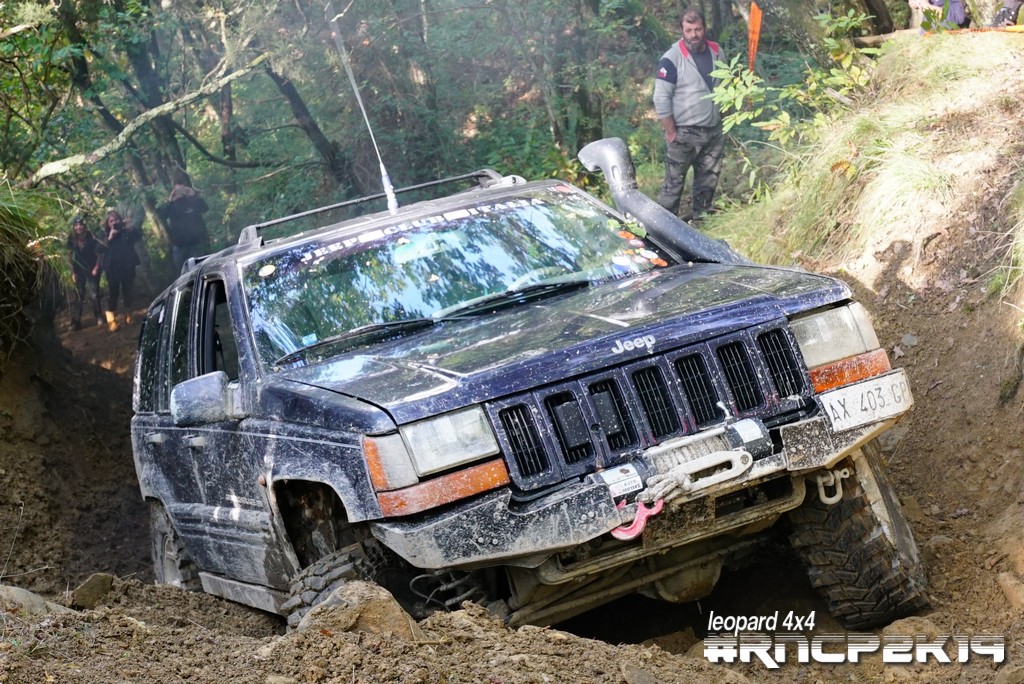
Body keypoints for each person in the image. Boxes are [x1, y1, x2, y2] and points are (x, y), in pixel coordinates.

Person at [653, 7, 727, 223]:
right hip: (684, 133)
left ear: (704, 28)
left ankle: (703, 225)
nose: (694, 35)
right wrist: (670, 132)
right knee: (673, 184)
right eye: (689, 30)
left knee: (708, 182)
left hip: (714, 130)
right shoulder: (671, 59)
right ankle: (663, 228)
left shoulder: (716, 51)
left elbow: (726, 83)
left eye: (698, 29)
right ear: (681, 30)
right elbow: (661, 98)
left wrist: (726, 118)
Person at [158, 168, 209, 274]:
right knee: (182, 273)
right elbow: (162, 216)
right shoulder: (172, 205)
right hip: (179, 245)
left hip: (194, 243)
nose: (180, 192)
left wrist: (194, 196)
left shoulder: (192, 201)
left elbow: (204, 208)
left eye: (182, 189)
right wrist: (170, 201)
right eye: (177, 190)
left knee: (198, 272)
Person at [97, 209, 141, 332]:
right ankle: (111, 321)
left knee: (128, 291)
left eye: (116, 220)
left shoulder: (126, 231)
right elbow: (98, 249)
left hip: (127, 266)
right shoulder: (104, 234)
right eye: (111, 221)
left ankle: (129, 315)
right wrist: (110, 237)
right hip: (112, 269)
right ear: (107, 223)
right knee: (113, 293)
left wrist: (130, 227)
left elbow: (138, 237)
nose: (114, 223)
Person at [66, 215, 103, 330]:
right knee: (79, 295)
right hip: (78, 270)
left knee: (94, 294)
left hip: (92, 269)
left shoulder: (91, 236)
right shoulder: (71, 239)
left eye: (81, 225)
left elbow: (99, 253)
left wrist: (97, 267)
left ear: (84, 226)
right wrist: (73, 272)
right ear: (74, 227)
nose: (79, 227)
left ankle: (99, 315)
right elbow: (69, 256)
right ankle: (76, 322)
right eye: (76, 225)